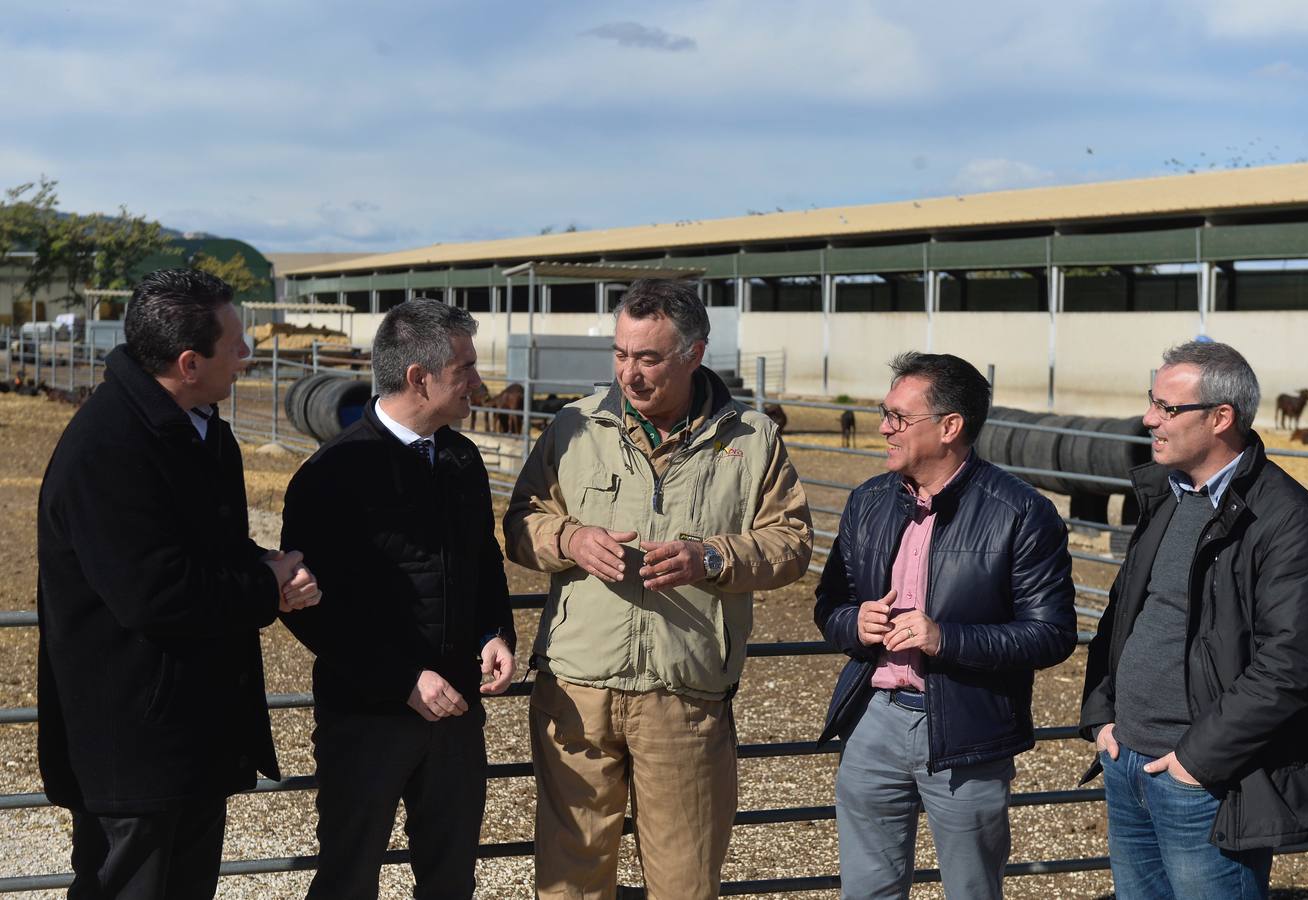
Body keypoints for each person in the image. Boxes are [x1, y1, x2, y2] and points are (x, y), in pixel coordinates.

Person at [504, 278, 813, 900]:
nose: (629, 374)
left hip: (685, 695)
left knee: (684, 880)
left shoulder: (751, 440)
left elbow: (792, 543)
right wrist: (568, 539)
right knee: (571, 880)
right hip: (577, 691)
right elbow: (519, 524)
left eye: (647, 358)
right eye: (620, 354)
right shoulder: (573, 427)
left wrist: (714, 556)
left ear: (694, 354)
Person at [36, 267, 318, 900]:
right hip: (133, 744)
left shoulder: (198, 432)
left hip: (189, 730)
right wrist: (262, 587)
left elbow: (203, 551)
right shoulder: (110, 448)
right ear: (189, 363)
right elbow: (154, 592)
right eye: (237, 342)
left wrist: (267, 570)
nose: (248, 354)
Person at [1080, 341, 1308, 899]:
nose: (1150, 418)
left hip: (1206, 781)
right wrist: (1104, 717)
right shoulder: (1167, 497)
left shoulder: (1287, 522)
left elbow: (1291, 665)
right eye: (1151, 402)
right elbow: (1124, 615)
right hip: (1126, 759)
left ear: (1221, 418)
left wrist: (1195, 763)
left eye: (1168, 408)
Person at [815, 351, 1077, 900]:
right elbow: (829, 604)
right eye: (884, 413)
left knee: (971, 890)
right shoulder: (867, 501)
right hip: (873, 720)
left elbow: (1052, 633)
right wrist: (852, 623)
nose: (884, 427)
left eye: (899, 418)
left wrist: (945, 638)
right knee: (866, 890)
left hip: (968, 730)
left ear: (950, 427)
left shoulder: (1021, 512)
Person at [281, 298, 516, 900]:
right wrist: (402, 678)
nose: (478, 383)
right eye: (465, 368)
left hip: (456, 714)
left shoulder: (461, 460)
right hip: (368, 719)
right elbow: (313, 611)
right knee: (349, 875)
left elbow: (482, 560)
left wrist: (495, 631)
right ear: (419, 377)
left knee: (450, 875)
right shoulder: (332, 474)